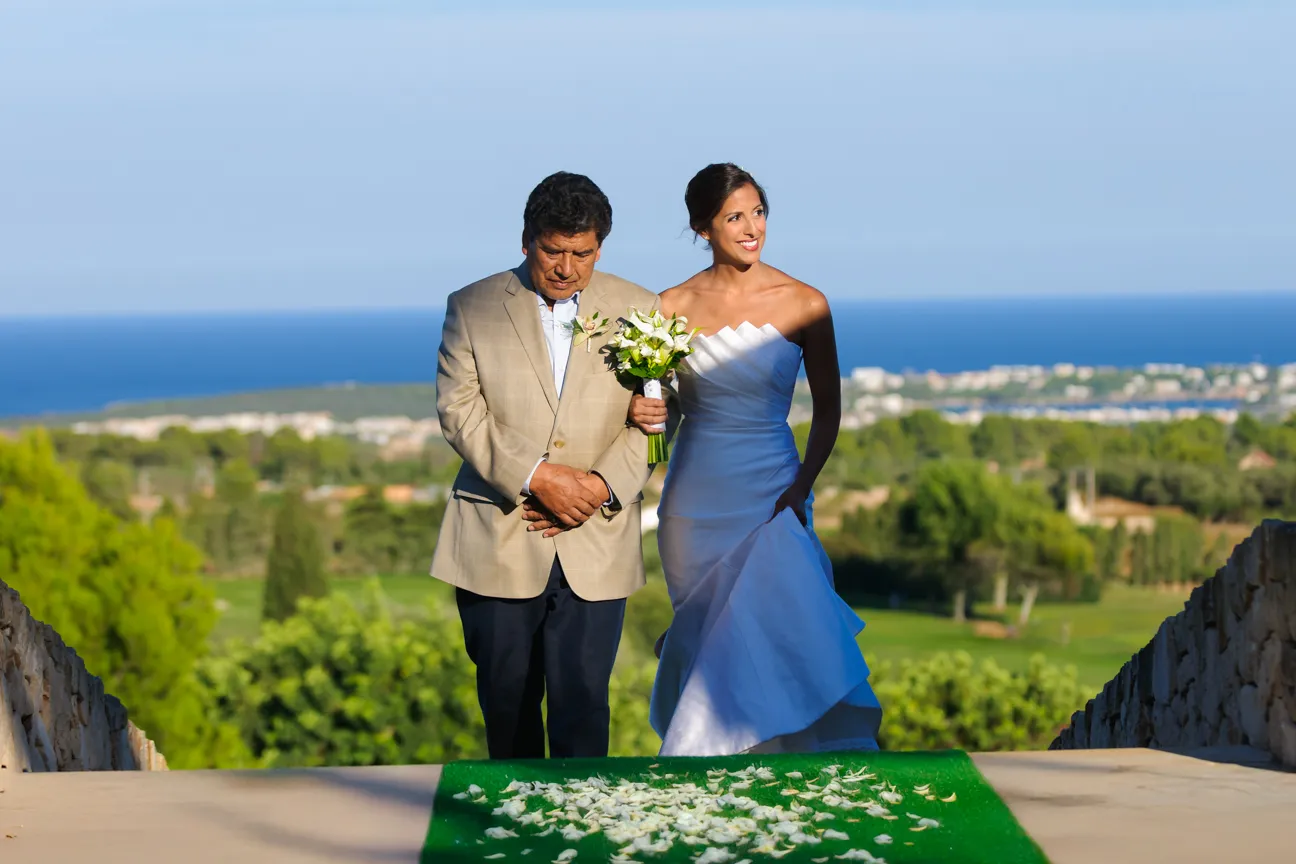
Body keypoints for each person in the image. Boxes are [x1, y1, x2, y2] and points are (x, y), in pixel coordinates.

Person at [627, 163, 883, 756]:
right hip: (695, 501)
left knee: (783, 633)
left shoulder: (805, 302)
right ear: (702, 228)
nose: (752, 228)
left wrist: (800, 487)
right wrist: (646, 412)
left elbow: (829, 412)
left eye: (758, 212)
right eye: (734, 217)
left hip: (774, 492)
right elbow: (660, 408)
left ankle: (797, 774)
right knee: (707, 642)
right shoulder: (668, 306)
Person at [430, 171, 660, 760]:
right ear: (527, 240)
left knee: (584, 707)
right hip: (499, 536)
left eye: (581, 254)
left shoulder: (641, 309)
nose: (566, 268)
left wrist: (600, 487)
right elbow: (459, 411)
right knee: (507, 706)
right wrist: (539, 478)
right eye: (553, 251)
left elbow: (661, 416)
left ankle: (582, 819)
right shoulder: (472, 306)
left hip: (598, 535)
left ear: (600, 248)